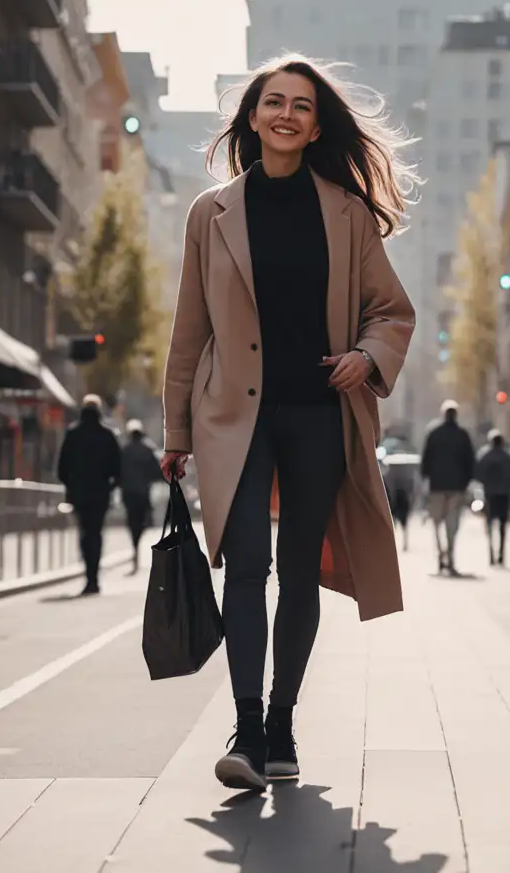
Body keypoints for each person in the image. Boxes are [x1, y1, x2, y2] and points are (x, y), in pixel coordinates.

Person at [160, 54, 417, 791]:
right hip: (229, 418)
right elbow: (188, 330)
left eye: (302, 107)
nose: (286, 114)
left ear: (314, 127)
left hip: (317, 416)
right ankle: (244, 727)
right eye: (273, 101)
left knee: (299, 570)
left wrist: (367, 358)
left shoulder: (348, 212)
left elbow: (391, 312)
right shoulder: (210, 213)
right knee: (246, 566)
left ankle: (282, 726)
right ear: (251, 117)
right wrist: (176, 432)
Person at [56, 394, 122, 595]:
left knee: (84, 533)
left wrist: (70, 485)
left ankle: (88, 575)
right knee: (96, 532)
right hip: (100, 492)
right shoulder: (107, 435)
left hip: (79, 492)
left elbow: (62, 467)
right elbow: (118, 467)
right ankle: (94, 576)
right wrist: (110, 486)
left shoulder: (73, 433)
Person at [419, 400, 475, 575]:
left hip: (437, 485)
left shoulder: (433, 433)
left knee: (436, 523)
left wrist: (426, 477)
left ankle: (440, 554)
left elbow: (425, 460)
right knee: (452, 524)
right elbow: (470, 461)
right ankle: (450, 556)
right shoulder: (463, 435)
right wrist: (467, 481)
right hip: (457, 487)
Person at [119, 419, 164, 574]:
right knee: (143, 520)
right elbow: (157, 471)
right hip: (143, 492)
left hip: (128, 492)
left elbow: (118, 470)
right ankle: (137, 545)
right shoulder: (148, 450)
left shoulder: (125, 450)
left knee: (132, 521)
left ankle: (135, 545)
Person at [475, 429, 510, 567]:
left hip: (489, 494)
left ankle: (491, 553)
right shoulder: (508, 456)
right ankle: (501, 554)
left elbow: (478, 473)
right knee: (503, 526)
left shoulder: (484, 455)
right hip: (504, 493)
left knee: (490, 524)